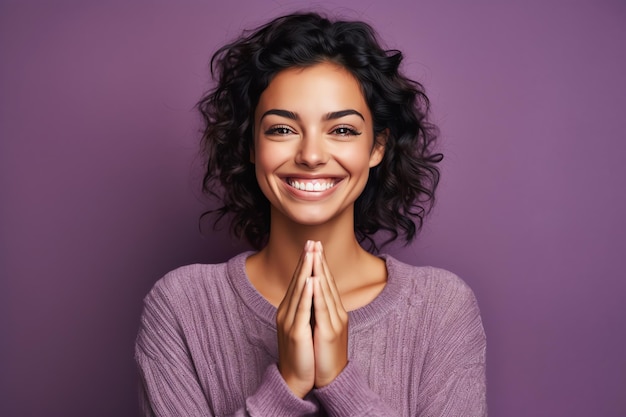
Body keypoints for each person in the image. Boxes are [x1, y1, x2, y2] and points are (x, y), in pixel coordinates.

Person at [135, 11, 486, 417]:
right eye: (282, 129)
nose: (312, 156)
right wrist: (284, 388)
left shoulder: (441, 308)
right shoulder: (181, 306)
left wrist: (340, 382)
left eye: (342, 130)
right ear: (251, 145)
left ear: (377, 148)